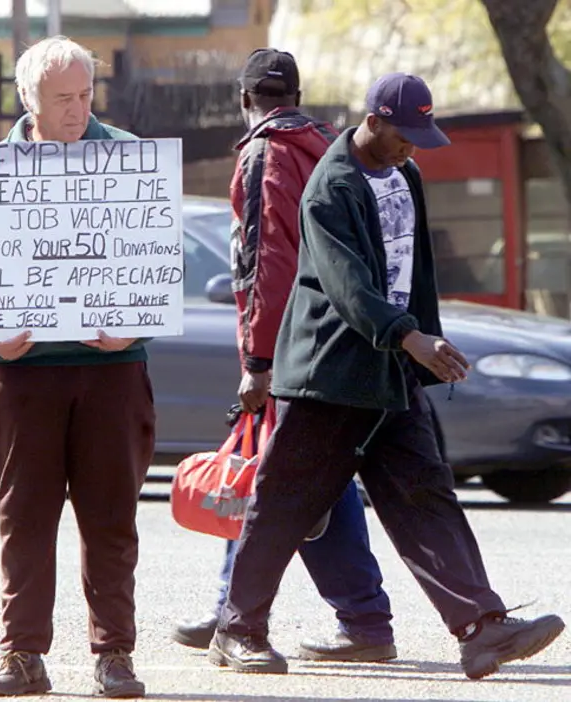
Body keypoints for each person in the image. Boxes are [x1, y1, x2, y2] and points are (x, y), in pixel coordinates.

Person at [209, 72, 566, 678]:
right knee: (286, 503)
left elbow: (413, 269)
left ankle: (482, 629)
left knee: (426, 493)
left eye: (421, 136)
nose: (411, 147)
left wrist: (424, 343)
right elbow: (347, 284)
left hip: (391, 369)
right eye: (404, 134)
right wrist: (410, 336)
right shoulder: (330, 186)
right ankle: (237, 629)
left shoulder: (406, 173)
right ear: (373, 118)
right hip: (330, 373)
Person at [173, 49, 396, 664]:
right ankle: (251, 607)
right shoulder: (336, 145)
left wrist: (257, 360)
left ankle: (359, 619)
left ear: (246, 100)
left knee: (284, 481)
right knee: (301, 477)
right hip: (350, 336)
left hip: (295, 349)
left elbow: (265, 263)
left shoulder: (262, 153)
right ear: (295, 94)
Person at [0, 37, 154, 698]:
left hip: (113, 371)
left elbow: (156, 270)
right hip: (22, 377)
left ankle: (115, 654)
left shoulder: (131, 159)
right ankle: (22, 654)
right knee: (23, 518)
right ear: (30, 100)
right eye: (63, 99)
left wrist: (134, 326)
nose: (78, 109)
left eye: (85, 95)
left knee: (111, 517)